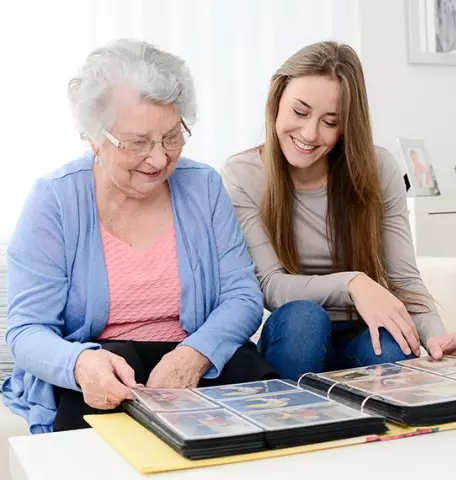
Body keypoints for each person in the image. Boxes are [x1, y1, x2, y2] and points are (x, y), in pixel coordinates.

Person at [2, 39, 276, 434]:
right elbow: (27, 331)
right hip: (104, 374)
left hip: (198, 361)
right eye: (137, 142)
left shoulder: (204, 186)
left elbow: (242, 296)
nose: (160, 158)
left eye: (171, 136)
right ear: (95, 137)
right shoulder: (55, 199)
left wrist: (195, 354)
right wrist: (82, 364)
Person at [222, 41, 456, 381]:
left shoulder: (379, 168)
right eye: (300, 112)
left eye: (331, 121)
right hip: (295, 335)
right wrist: (353, 283)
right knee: (304, 320)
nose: (310, 133)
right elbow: (270, 285)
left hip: (363, 332)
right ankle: (296, 429)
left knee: (392, 343)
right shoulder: (243, 174)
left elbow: (403, 279)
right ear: (276, 100)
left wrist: (436, 336)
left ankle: (379, 432)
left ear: (347, 125)